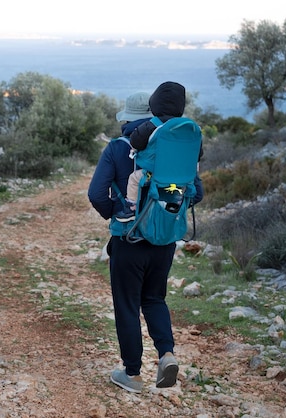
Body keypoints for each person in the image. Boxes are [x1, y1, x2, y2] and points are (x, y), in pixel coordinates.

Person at [87, 83, 204, 394]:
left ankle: (133, 373)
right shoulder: (175, 148)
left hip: (129, 240)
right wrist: (166, 210)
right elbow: (197, 193)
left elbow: (96, 194)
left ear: (130, 118)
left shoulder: (116, 147)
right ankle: (167, 354)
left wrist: (117, 211)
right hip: (164, 240)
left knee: (127, 304)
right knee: (155, 298)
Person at [115, 81, 203, 222]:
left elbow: (136, 141)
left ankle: (131, 208)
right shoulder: (190, 128)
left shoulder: (152, 124)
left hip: (154, 174)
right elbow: (198, 153)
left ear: (154, 104)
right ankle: (176, 204)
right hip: (182, 175)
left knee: (134, 179)